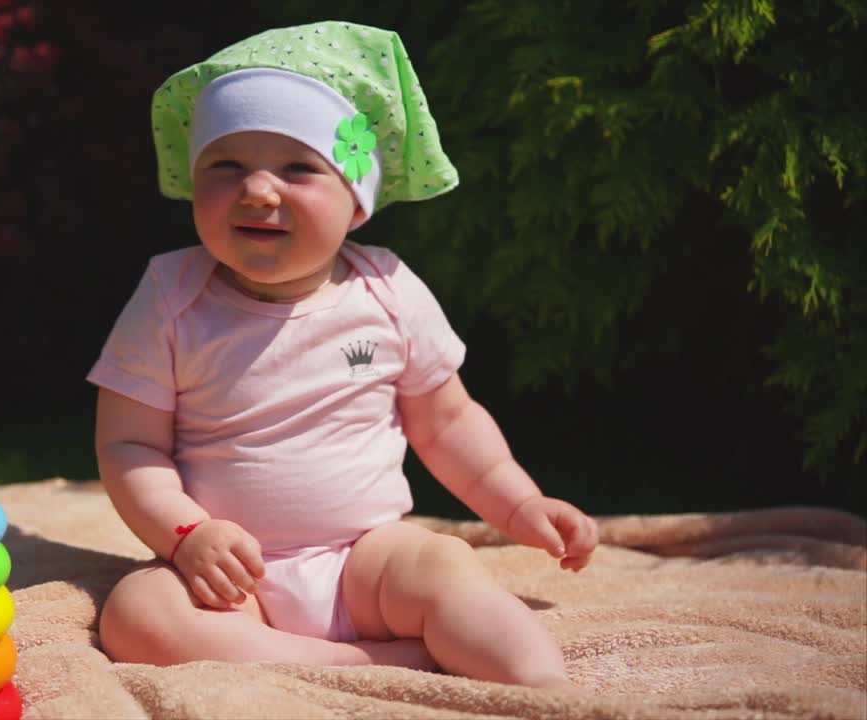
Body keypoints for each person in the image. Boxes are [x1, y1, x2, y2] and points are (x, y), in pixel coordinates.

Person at [86, 20, 599, 690]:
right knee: (136, 614)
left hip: (367, 560)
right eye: (225, 165)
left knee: (446, 566)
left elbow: (447, 422)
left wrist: (519, 505)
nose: (257, 190)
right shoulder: (169, 297)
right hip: (230, 577)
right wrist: (185, 535)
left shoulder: (387, 291)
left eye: (298, 167)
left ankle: (543, 689)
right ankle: (376, 664)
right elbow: (129, 445)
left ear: (356, 203)